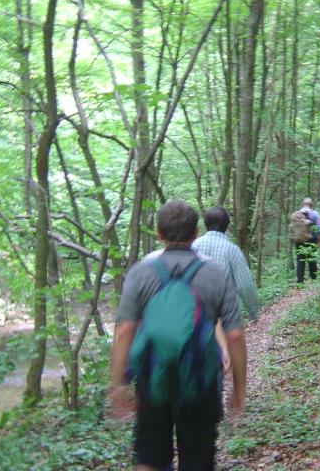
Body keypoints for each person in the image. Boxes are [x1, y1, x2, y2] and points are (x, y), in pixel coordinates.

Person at [108, 200, 247, 471]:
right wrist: (239, 389)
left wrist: (119, 383)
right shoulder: (216, 274)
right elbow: (236, 335)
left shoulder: (140, 272)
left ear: (159, 234)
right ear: (195, 233)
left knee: (149, 455)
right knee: (198, 457)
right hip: (201, 379)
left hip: (152, 378)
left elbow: (125, 330)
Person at [192, 206, 260, 321]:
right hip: (225, 315)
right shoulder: (232, 250)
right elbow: (244, 285)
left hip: (196, 313)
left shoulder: (193, 246)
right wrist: (253, 312)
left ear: (206, 224)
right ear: (226, 225)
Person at [290, 197, 320, 283]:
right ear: (311, 205)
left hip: (299, 239)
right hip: (311, 238)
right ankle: (313, 278)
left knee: (300, 260)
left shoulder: (296, 214)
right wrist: (319, 240)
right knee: (312, 258)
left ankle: (300, 280)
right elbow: (319, 228)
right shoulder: (314, 213)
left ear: (303, 204)